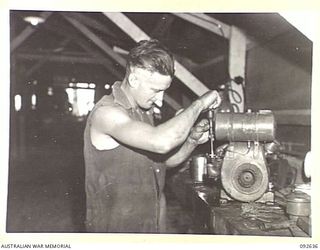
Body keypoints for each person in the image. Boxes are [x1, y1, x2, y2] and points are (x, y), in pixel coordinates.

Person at [83, 39, 221, 233]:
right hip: (115, 232)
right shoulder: (107, 113)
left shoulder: (143, 112)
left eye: (164, 91)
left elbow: (162, 163)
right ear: (134, 80)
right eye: (156, 90)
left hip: (148, 226)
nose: (160, 99)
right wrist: (199, 104)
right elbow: (161, 143)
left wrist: (192, 140)